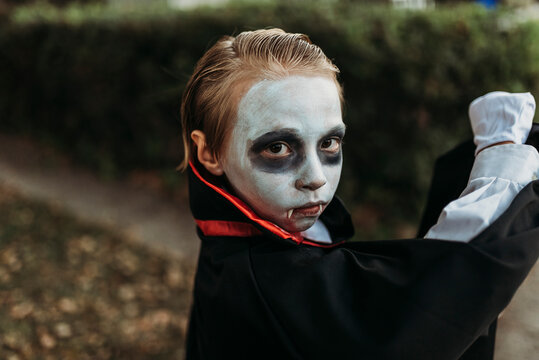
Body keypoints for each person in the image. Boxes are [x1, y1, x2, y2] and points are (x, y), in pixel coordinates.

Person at [179, 28, 539, 359]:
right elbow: (412, 324)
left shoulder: (230, 235)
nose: (316, 178)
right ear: (209, 152)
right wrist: (500, 156)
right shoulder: (263, 279)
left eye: (329, 143)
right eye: (278, 149)